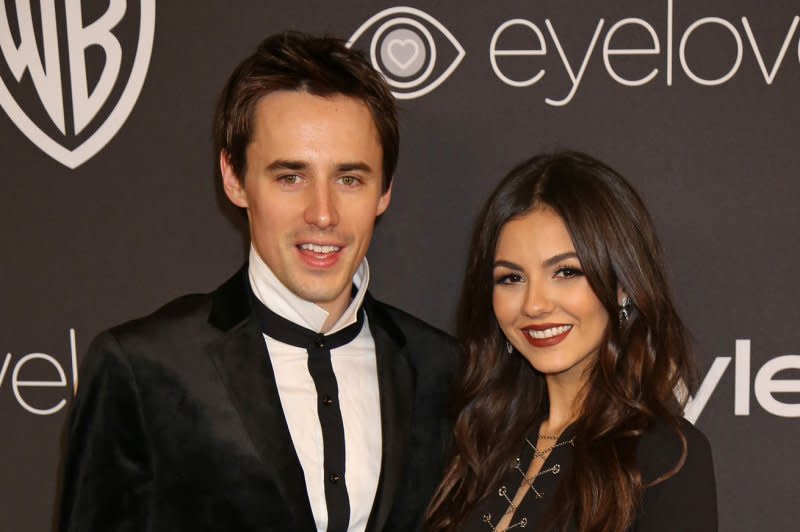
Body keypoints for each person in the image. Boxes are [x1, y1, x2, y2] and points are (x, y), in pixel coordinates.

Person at [59, 32, 456, 532]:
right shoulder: (143, 369)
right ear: (234, 177)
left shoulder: (442, 371)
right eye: (290, 177)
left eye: (349, 178)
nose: (323, 213)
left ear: (384, 191)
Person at [426, 151, 717, 531]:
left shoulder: (663, 457)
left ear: (622, 287)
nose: (534, 305)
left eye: (565, 272)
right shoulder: (478, 443)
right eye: (511, 278)